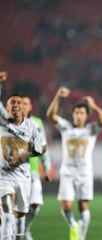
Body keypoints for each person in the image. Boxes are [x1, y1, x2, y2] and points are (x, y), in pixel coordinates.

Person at [46, 87, 102, 240]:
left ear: (87, 116)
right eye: (76, 113)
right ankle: (74, 225)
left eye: (82, 113)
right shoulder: (66, 128)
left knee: (83, 206)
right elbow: (50, 115)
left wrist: (93, 106)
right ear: (73, 114)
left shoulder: (91, 130)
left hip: (85, 173)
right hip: (67, 172)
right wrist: (57, 96)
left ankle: (81, 236)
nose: (79, 116)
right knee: (66, 206)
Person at [0, 75, 44, 240]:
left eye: (19, 103)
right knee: (6, 215)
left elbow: (39, 149)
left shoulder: (32, 125)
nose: (16, 105)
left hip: (23, 179)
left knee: (19, 218)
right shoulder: (3, 123)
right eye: (12, 103)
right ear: (7, 107)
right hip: (4, 179)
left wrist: (24, 156)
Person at [21, 94, 52, 240]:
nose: (23, 106)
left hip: (32, 170)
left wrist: (47, 169)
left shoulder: (36, 122)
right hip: (14, 171)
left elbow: (42, 146)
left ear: (31, 106)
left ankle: (25, 228)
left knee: (35, 204)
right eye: (21, 104)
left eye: (26, 103)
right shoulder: (11, 124)